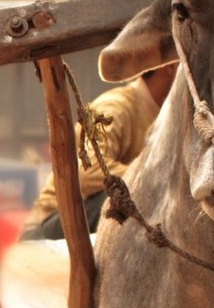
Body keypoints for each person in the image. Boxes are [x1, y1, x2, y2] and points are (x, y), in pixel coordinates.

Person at [22, 63, 177, 236]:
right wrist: (155, 179)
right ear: (169, 66)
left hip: (90, 221)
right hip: (52, 225)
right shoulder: (115, 107)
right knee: (126, 197)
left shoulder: (167, 118)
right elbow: (87, 171)